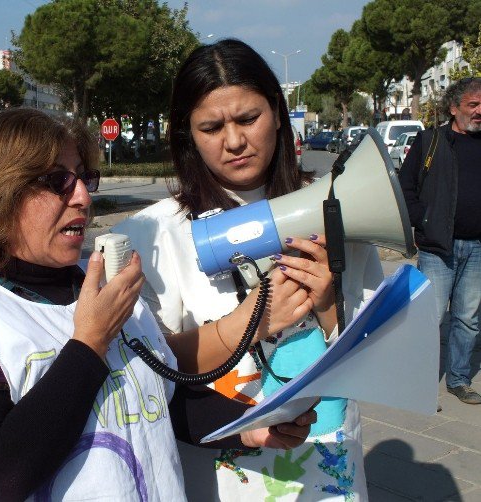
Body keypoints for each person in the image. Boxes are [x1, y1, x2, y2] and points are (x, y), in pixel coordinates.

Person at [0, 108, 317, 501]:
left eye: (83, 178)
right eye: (56, 181)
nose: (83, 199)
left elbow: (161, 402)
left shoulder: (103, 289)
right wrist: (90, 342)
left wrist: (251, 427)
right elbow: (3, 473)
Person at [114, 39, 384, 500]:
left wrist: (329, 308)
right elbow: (147, 373)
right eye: (211, 127)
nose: (234, 141)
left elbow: (380, 357)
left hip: (329, 469)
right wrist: (252, 322)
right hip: (220, 479)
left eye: (247, 119)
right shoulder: (155, 233)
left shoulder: (340, 209)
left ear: (278, 112)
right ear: (188, 134)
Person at [399, 77, 481, 405]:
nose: (479, 111)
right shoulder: (430, 141)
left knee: (468, 318)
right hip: (437, 248)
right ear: (454, 108)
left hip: (478, 248)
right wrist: (425, 221)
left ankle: (459, 379)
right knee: (429, 317)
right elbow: (406, 189)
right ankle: (419, 381)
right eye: (473, 105)